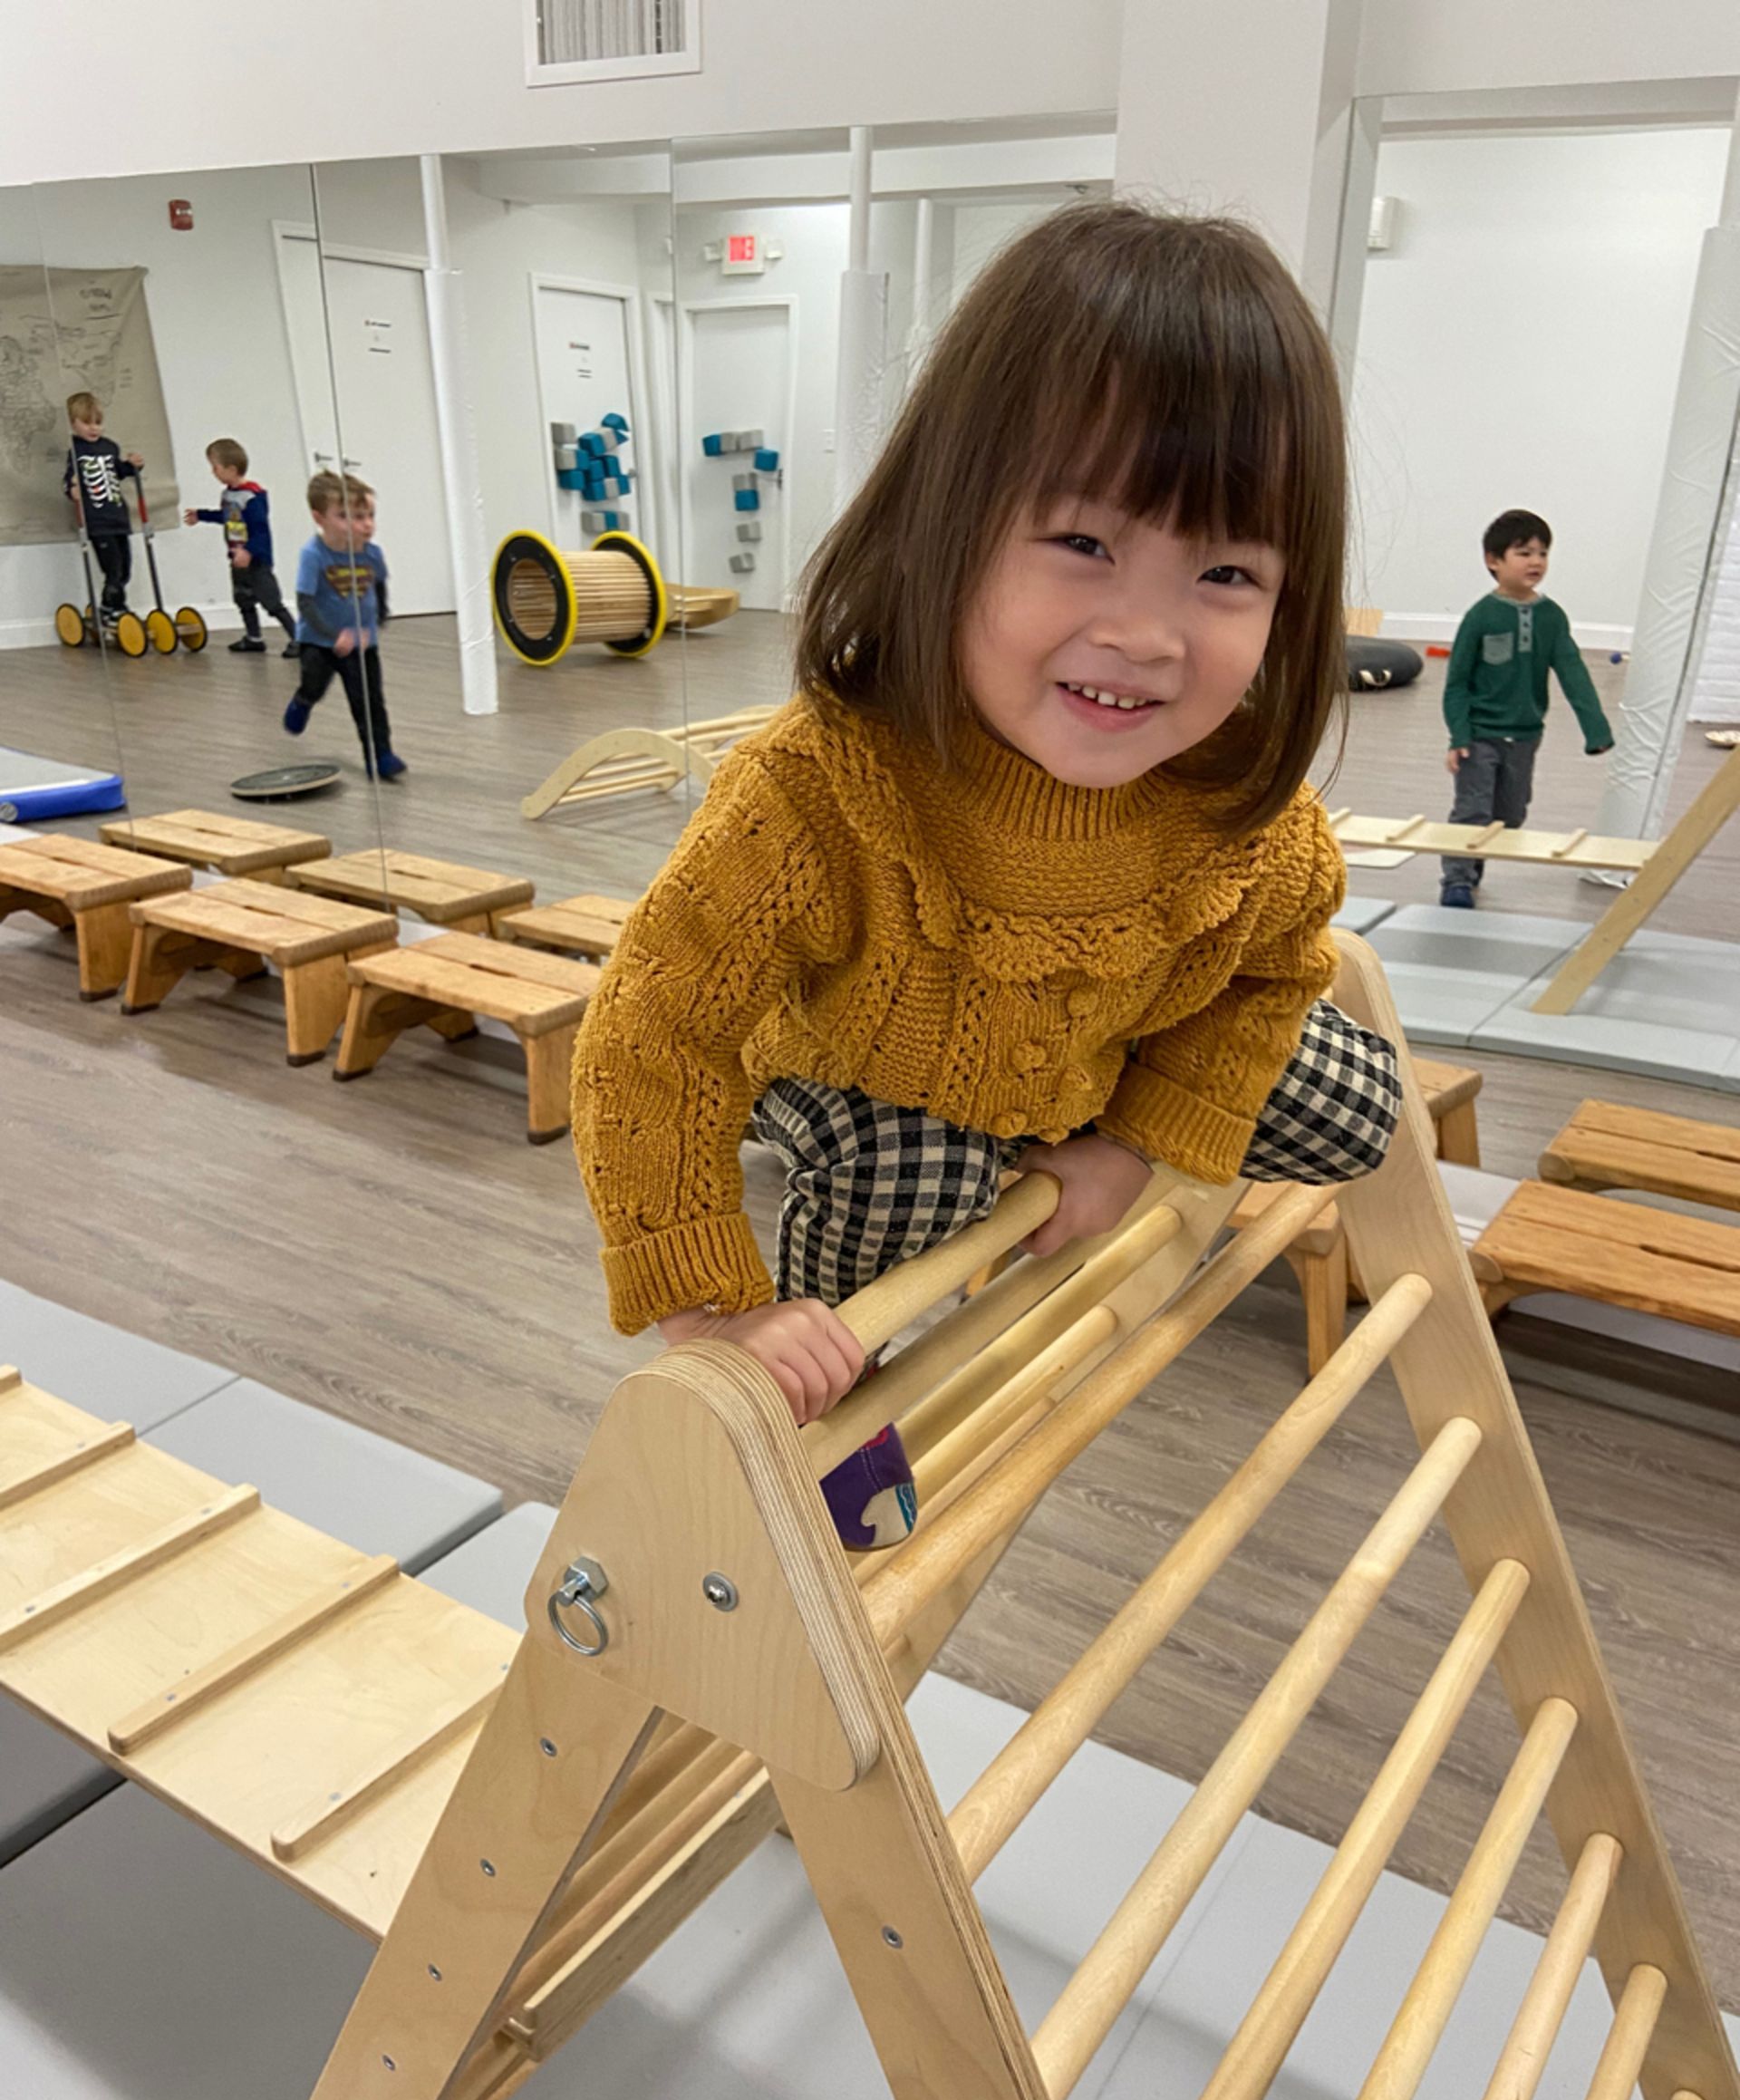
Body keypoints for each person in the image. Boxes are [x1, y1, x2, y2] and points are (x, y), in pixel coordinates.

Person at [572, 201, 1402, 1546]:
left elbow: (1269, 973)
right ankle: (848, 1476)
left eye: (1227, 571)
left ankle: (1088, 1125)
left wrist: (1136, 1146)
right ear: (943, 526)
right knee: (913, 1187)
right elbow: (654, 1033)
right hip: (869, 1065)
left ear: (1291, 602)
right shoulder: (818, 793)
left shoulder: (1255, 822)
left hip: (1095, 1051)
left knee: (1362, 1101)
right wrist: (716, 1308)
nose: (1144, 633)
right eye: (1083, 543)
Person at [1439, 510, 1614, 907]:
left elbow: (1574, 674)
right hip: (1479, 736)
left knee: (1510, 816)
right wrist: (1459, 735)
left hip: (1524, 736)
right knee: (1472, 811)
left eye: (1542, 553)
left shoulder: (1551, 619)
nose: (1536, 561)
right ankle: (1457, 880)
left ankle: (1476, 854)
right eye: (1523, 552)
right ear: (1493, 560)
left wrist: (1596, 731)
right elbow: (1457, 682)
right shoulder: (1480, 617)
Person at [283, 470, 405, 779]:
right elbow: (305, 602)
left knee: (369, 702)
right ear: (319, 518)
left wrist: (377, 621)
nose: (365, 525)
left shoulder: (373, 554)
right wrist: (332, 634)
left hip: (362, 645)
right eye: (348, 516)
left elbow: (379, 587)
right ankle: (303, 701)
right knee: (315, 685)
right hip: (319, 643)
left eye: (369, 516)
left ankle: (381, 755)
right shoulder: (313, 555)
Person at [184, 438, 298, 655]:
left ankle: (299, 639)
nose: (213, 472)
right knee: (243, 599)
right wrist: (201, 515)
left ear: (231, 469)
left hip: (256, 562)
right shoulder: (228, 495)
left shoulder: (252, 497)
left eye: (215, 467)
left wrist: (249, 551)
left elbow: (260, 530)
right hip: (237, 558)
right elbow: (227, 517)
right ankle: (254, 637)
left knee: (271, 602)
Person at [62, 392, 142, 624]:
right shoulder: (75, 451)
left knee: (125, 569)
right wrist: (71, 489)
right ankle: (113, 608)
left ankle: (112, 605)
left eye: (98, 422)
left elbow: (118, 471)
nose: (93, 428)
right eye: (87, 423)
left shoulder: (110, 447)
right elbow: (69, 479)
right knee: (113, 568)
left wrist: (133, 466)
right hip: (98, 522)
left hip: (119, 518)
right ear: (73, 423)